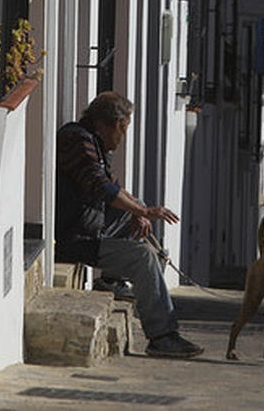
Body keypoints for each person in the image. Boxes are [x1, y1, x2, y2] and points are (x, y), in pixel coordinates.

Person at [55, 91, 204, 359]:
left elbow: (112, 184)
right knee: (143, 257)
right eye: (123, 129)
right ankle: (162, 336)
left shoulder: (95, 143)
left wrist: (138, 210)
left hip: (89, 222)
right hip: (73, 237)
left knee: (135, 214)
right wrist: (142, 209)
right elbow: (99, 185)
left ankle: (111, 280)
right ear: (111, 124)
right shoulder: (75, 139)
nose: (123, 137)